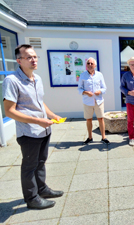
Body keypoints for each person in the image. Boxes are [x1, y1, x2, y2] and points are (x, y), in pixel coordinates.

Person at [2, 44, 63, 209]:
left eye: (35, 56)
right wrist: (38, 121)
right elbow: (9, 111)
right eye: (28, 57)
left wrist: (52, 115)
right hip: (29, 133)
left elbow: (39, 103)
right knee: (29, 166)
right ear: (19, 60)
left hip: (43, 130)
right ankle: (32, 198)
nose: (33, 60)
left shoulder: (37, 78)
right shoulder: (12, 81)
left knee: (41, 162)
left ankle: (42, 189)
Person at [78, 57, 110, 145]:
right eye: (88, 63)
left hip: (99, 101)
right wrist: (85, 92)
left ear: (95, 65)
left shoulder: (99, 75)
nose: (90, 65)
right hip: (87, 101)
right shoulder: (82, 75)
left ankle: (103, 137)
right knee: (89, 119)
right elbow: (79, 89)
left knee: (101, 119)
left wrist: (100, 91)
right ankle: (90, 137)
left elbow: (104, 88)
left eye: (92, 63)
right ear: (86, 65)